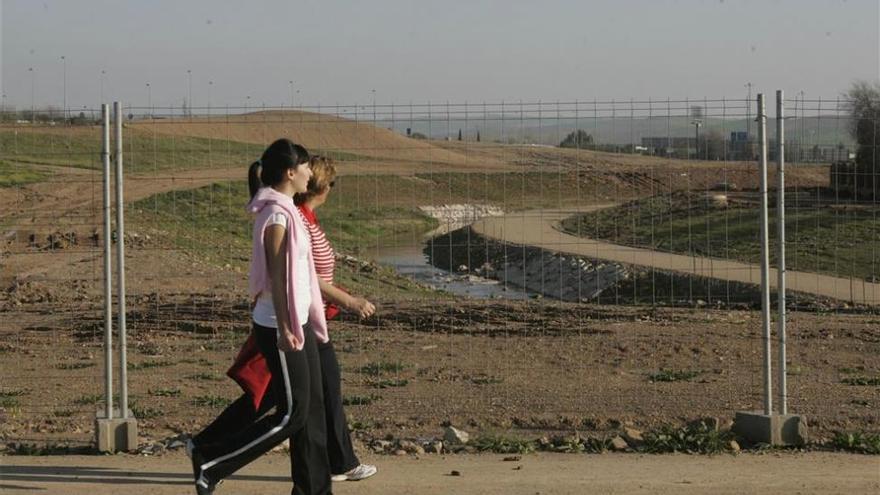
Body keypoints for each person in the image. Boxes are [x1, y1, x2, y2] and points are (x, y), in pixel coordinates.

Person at [188, 138, 332, 495]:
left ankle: (314, 490)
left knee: (312, 408)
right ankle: (212, 461)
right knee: (292, 413)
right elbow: (279, 279)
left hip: (297, 321)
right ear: (289, 172)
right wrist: (286, 328)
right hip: (280, 324)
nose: (310, 172)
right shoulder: (277, 215)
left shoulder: (288, 210)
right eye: (304, 167)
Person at [295, 155, 377, 481]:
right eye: (332, 183)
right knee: (322, 390)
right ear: (322, 186)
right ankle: (339, 463)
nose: (332, 189)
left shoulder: (308, 218)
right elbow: (310, 276)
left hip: (316, 315)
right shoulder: (302, 221)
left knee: (318, 391)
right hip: (309, 316)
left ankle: (337, 462)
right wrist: (351, 301)